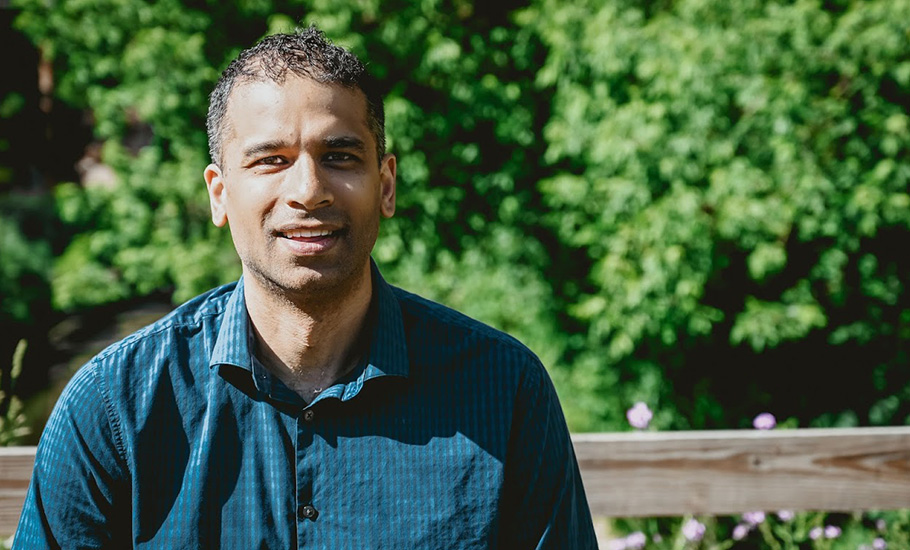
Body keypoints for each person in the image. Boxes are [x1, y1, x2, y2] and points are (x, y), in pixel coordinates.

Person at [14, 26, 597, 549]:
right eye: (271, 160)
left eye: (340, 156)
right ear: (219, 194)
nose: (308, 190)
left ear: (386, 185)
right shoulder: (114, 409)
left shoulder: (504, 393)